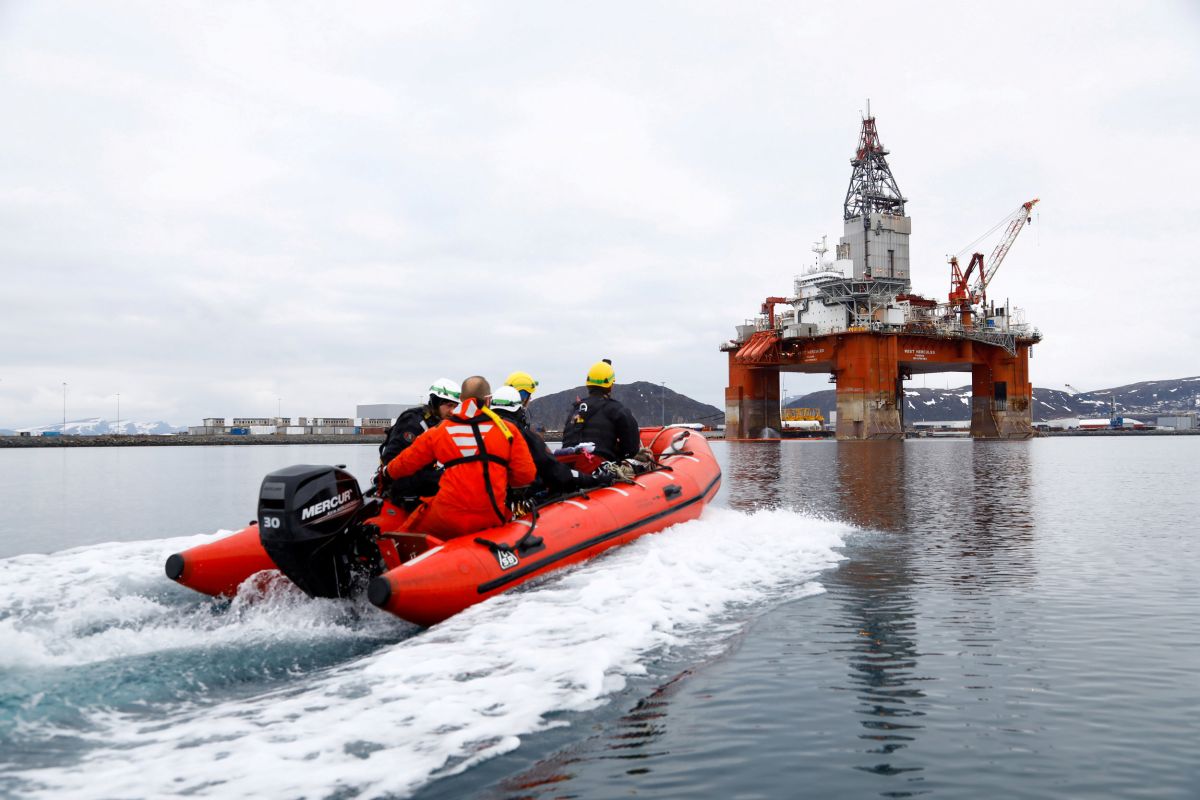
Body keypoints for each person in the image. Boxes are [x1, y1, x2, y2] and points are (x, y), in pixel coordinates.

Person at [385, 376, 536, 539]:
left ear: (462, 400)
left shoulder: (439, 431)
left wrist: (386, 474)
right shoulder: (508, 431)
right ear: (488, 400)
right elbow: (526, 475)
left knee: (406, 534)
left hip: (446, 518)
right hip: (491, 515)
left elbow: (404, 463)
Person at [492, 385, 612, 496]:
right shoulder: (522, 435)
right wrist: (592, 479)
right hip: (517, 500)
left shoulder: (479, 429)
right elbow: (554, 470)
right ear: (519, 409)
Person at [377, 378, 460, 507]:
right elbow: (391, 459)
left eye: (455, 406)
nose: (452, 411)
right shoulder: (413, 422)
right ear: (436, 402)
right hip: (404, 483)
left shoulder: (439, 424)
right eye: (449, 405)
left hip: (421, 478)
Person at [562, 359, 641, 461]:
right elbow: (631, 449)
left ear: (588, 384)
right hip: (599, 469)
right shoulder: (617, 410)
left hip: (569, 468)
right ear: (610, 385)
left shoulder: (575, 410)